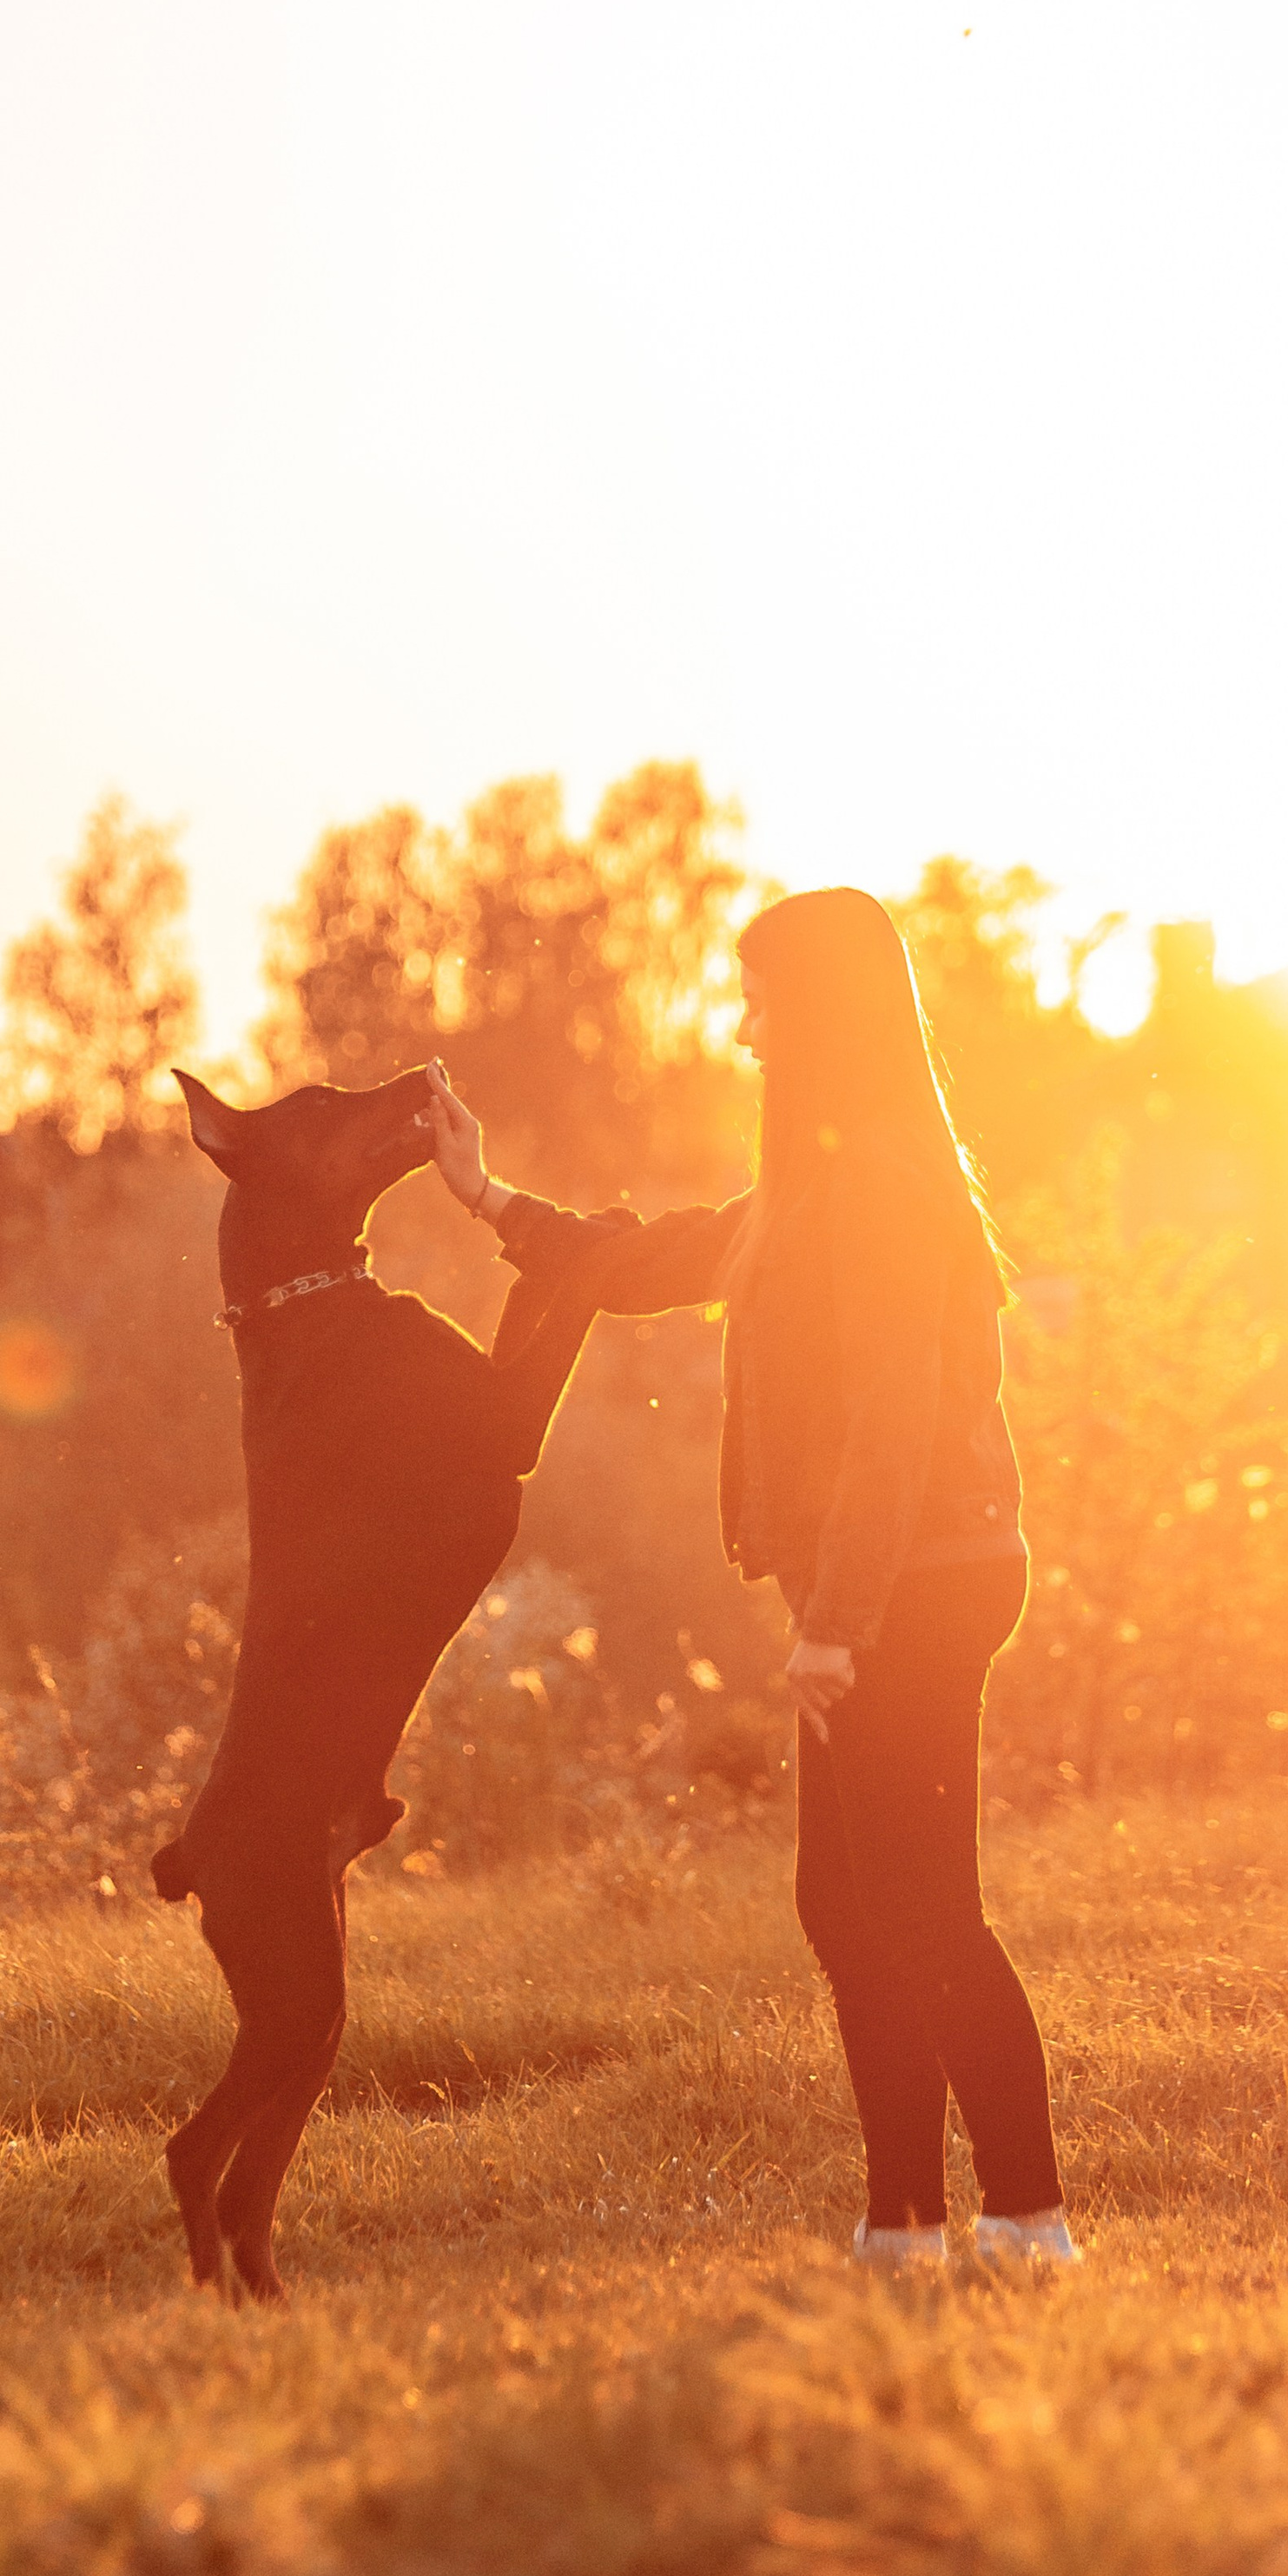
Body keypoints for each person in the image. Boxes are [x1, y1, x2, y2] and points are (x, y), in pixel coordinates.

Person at [424, 885, 1077, 2271]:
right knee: (849, 1906)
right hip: (891, 1577)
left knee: (919, 1910)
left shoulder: (883, 1189)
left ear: (821, 1012)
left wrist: (838, 1622)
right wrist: (488, 1197)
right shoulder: (815, 1190)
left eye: (760, 1002)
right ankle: (902, 2225)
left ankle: (1030, 2220)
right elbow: (654, 1256)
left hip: (920, 1578)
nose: (742, 1030)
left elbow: (894, 1424)